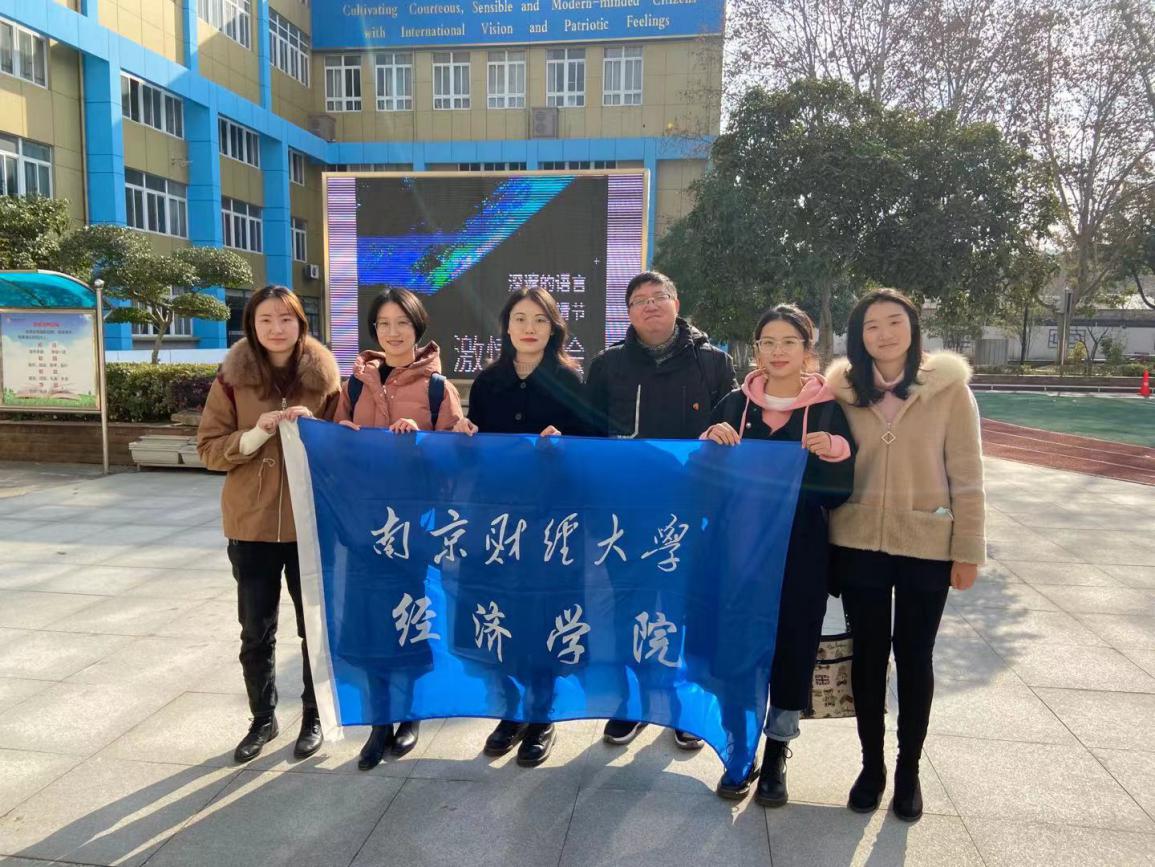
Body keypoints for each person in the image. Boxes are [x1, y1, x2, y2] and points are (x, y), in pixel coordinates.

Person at [825, 288, 985, 823]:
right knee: (868, 658)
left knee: (915, 657)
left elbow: (968, 476)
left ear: (913, 328)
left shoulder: (949, 390)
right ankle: (871, 768)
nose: (884, 334)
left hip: (926, 544)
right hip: (859, 544)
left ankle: (908, 771)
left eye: (895, 322)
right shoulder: (842, 392)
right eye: (871, 325)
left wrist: (968, 551)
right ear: (859, 336)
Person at [702, 304, 856, 806]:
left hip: (799, 553)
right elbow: (703, 483)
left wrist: (834, 452)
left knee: (792, 647)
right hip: (737, 552)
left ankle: (775, 755)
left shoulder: (828, 410)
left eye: (789, 341)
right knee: (737, 644)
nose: (777, 351)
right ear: (756, 349)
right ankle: (738, 749)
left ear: (807, 350)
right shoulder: (733, 406)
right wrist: (708, 444)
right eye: (768, 342)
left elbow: (839, 493)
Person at [586, 270, 738, 749]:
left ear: (676, 303)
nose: (650, 305)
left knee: (684, 607)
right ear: (628, 313)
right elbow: (587, 437)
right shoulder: (608, 365)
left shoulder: (713, 363)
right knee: (628, 607)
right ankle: (634, 704)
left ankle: (684, 709)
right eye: (639, 300)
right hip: (625, 515)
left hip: (691, 512)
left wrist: (724, 431)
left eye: (659, 296)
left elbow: (734, 431)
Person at [197, 285, 342, 764]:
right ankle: (262, 718)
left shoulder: (325, 380)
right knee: (255, 631)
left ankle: (314, 715)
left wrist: (314, 430)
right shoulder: (231, 379)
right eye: (266, 319)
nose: (277, 328)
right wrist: (257, 433)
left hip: (310, 526)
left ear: (301, 323)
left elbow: (346, 446)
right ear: (251, 326)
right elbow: (209, 449)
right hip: (251, 526)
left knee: (314, 627)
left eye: (286, 318)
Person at [454, 285, 591, 766]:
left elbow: (592, 448)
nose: (529, 328)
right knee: (500, 610)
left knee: (543, 611)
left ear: (554, 328)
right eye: (520, 319)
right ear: (506, 327)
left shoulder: (571, 381)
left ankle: (541, 713)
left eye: (539, 319)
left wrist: (566, 443)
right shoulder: (487, 382)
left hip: (551, 520)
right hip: (497, 519)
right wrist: (465, 435)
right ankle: (510, 708)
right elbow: (474, 453)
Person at [336, 287, 465, 771]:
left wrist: (422, 442)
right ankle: (379, 722)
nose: (393, 333)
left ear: (418, 328)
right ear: (374, 330)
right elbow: (335, 453)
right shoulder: (353, 387)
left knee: (409, 616)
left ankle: (409, 713)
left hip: (412, 526)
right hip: (364, 526)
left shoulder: (438, 388)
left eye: (402, 324)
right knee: (369, 621)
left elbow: (456, 458)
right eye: (384, 324)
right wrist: (341, 438)